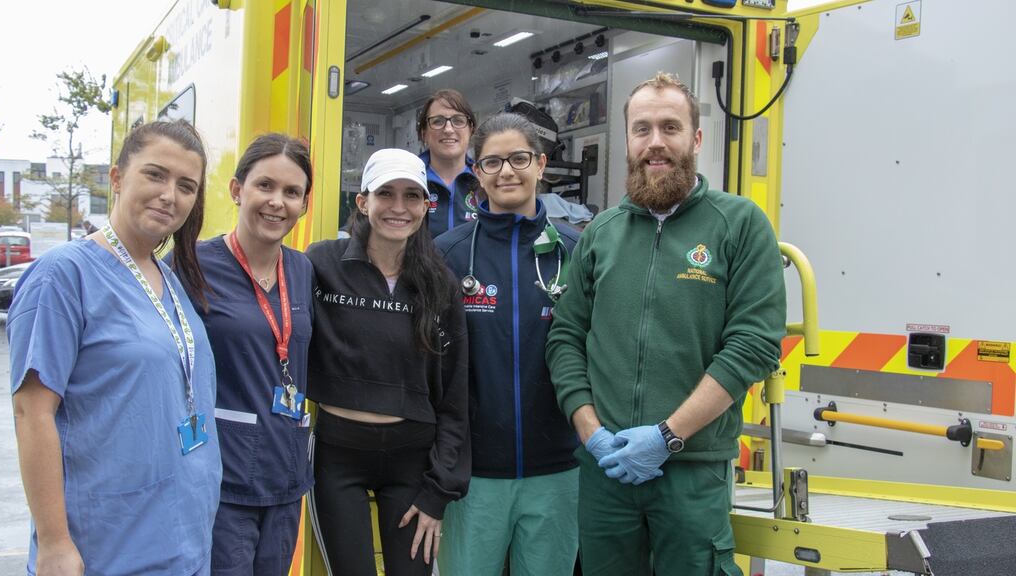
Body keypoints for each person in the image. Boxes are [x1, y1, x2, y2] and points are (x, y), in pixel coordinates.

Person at [546, 72, 787, 575]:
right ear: (627, 142)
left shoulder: (739, 225)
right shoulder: (601, 234)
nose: (656, 142)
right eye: (642, 129)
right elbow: (566, 338)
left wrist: (667, 436)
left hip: (692, 474)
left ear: (696, 139)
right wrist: (591, 433)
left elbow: (753, 345)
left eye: (670, 127)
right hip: (606, 473)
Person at [8, 119, 221, 576]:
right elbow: (31, 413)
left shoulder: (169, 279)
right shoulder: (63, 277)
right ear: (117, 177)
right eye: (156, 174)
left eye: (186, 186)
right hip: (106, 545)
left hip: (183, 540)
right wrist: (54, 543)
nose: (171, 194)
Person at [306, 148, 470, 576]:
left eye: (412, 196)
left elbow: (454, 396)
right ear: (363, 202)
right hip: (337, 457)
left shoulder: (440, 283)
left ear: (425, 206)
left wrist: (440, 490)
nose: (399, 207)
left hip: (412, 462)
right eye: (386, 194)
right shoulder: (320, 264)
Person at [434, 113, 580, 576]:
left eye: (519, 159)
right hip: (475, 476)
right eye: (492, 162)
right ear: (476, 173)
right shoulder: (448, 254)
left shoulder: (575, 252)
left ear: (540, 164)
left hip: (558, 471)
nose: (506, 172)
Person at [174, 133, 314, 575]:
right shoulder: (193, 265)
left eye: (292, 192)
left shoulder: (302, 268)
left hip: (286, 476)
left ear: (305, 204)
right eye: (265, 186)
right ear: (237, 191)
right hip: (223, 482)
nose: (277, 202)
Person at [417, 89, 481, 237]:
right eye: (437, 121)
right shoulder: (410, 181)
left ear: (471, 129)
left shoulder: (485, 181)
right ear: (423, 133)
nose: (448, 129)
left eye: (458, 120)